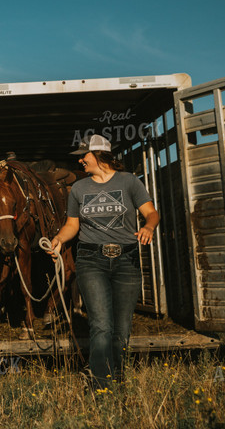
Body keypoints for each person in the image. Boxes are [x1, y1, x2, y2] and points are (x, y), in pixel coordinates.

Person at [49, 134, 159, 391]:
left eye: (84, 156)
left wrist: (149, 227)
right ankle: (100, 384)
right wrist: (58, 239)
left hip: (126, 260)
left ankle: (116, 379)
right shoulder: (79, 188)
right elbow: (72, 225)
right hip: (91, 259)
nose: (80, 161)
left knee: (121, 328)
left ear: (98, 155)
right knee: (100, 325)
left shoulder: (130, 182)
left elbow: (151, 212)